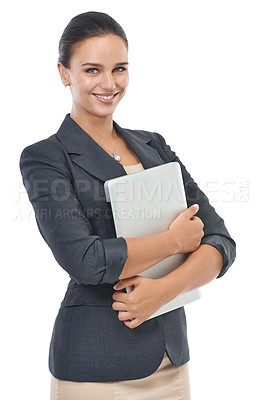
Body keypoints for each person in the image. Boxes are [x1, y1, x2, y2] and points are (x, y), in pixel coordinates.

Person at [19, 11, 236, 400]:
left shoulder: (152, 145)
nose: (109, 83)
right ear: (64, 73)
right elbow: (86, 260)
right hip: (97, 367)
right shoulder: (46, 157)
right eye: (92, 70)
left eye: (119, 69)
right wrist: (174, 241)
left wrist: (163, 291)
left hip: (172, 364)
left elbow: (220, 242)